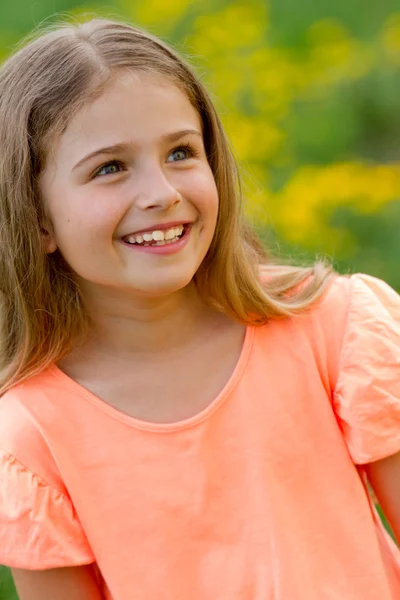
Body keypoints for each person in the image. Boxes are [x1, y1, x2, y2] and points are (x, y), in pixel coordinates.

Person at [0, 17, 399, 600]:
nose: (162, 192)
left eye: (182, 152)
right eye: (110, 168)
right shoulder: (30, 437)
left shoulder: (332, 328)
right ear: (34, 219)